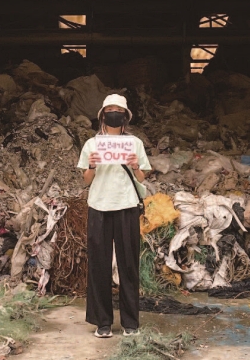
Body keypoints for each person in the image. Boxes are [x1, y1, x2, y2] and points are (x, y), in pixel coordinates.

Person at [76, 94, 151, 338]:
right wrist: (92, 166)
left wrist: (135, 165)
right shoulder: (92, 144)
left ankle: (130, 323)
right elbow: (86, 180)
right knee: (99, 264)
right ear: (103, 115)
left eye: (119, 110)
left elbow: (141, 178)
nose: (114, 113)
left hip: (127, 205)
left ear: (125, 116)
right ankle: (103, 322)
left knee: (128, 263)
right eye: (110, 109)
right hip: (99, 205)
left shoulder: (135, 144)